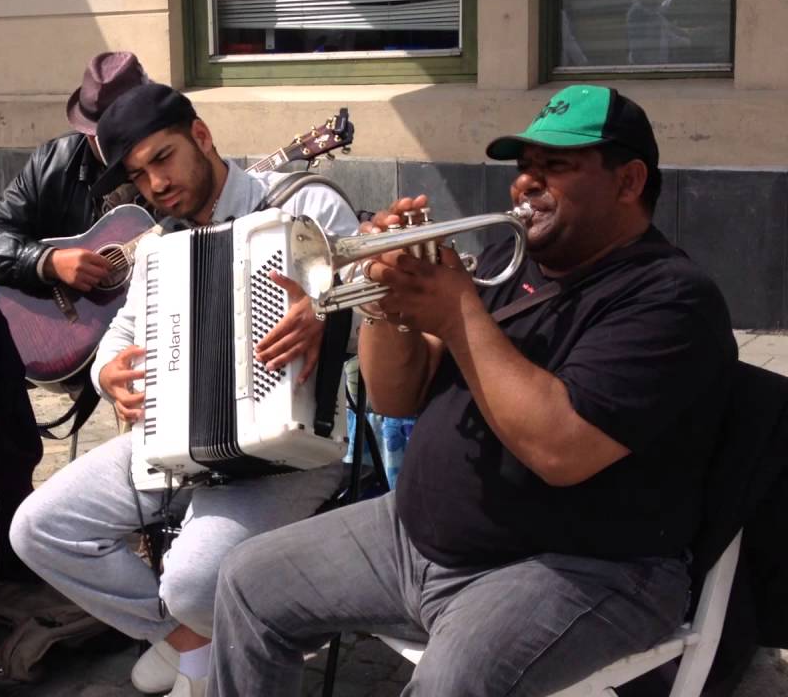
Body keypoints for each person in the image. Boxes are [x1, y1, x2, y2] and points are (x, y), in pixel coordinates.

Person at [206, 84, 738, 696]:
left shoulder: (669, 298)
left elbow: (560, 451)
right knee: (247, 581)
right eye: (525, 167)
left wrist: (458, 310)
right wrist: (388, 302)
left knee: (448, 687)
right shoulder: (507, 261)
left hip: (579, 568)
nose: (526, 184)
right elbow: (394, 397)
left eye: (556, 166)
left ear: (628, 180)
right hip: (415, 537)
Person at [9, 83, 359, 697]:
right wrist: (107, 372)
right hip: (176, 437)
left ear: (201, 136)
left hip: (292, 450)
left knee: (194, 581)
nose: (156, 185)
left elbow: (379, 302)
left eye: (163, 158)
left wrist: (331, 318)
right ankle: (190, 640)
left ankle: (199, 638)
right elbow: (119, 334)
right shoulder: (158, 247)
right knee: (39, 528)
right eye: (140, 177)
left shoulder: (307, 206)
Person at [0, 50, 149, 297]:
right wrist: (48, 261)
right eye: (103, 136)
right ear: (87, 132)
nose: (119, 145)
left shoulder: (172, 165)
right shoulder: (53, 162)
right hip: (71, 323)